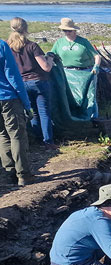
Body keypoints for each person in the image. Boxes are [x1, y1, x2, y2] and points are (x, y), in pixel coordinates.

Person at [8, 17, 57, 150]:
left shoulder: (8, 47)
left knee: (32, 113)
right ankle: (48, 141)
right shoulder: (32, 46)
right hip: (38, 81)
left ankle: (36, 138)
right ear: (26, 28)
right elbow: (46, 67)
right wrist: (50, 58)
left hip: (21, 83)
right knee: (44, 112)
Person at [51, 18, 100, 120]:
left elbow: (97, 56)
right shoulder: (59, 42)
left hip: (85, 73)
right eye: (65, 31)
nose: (67, 33)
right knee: (70, 97)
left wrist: (96, 67)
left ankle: (93, 118)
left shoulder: (83, 42)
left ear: (74, 30)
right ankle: (73, 117)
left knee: (89, 97)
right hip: (67, 74)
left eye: (69, 30)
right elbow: (52, 55)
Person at [0, 38, 33, 186]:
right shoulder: (2, 45)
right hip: (8, 97)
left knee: (2, 134)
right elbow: (12, 75)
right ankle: (23, 174)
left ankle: (9, 173)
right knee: (17, 135)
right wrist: (26, 104)